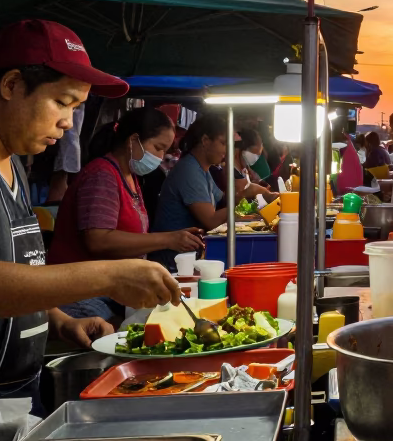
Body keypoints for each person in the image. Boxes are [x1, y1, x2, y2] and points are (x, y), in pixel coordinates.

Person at [0, 20, 180, 415]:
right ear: (11, 85)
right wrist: (109, 275)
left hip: (14, 389)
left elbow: (9, 268)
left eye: (75, 108)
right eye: (62, 102)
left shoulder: (10, 159)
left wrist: (55, 319)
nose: (69, 122)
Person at [47, 107, 205, 323]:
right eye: (158, 148)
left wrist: (176, 237)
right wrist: (168, 239)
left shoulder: (129, 177)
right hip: (82, 294)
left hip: (112, 289)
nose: (160, 157)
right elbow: (98, 240)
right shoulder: (101, 176)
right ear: (133, 140)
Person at [150, 114, 235, 270]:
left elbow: (223, 198)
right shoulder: (189, 170)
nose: (226, 150)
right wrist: (243, 206)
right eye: (223, 143)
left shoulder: (202, 169)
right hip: (173, 261)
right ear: (205, 141)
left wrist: (246, 196)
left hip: (187, 256)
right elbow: (210, 220)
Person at [210, 127, 273, 210]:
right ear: (238, 150)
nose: (256, 158)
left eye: (258, 155)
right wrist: (250, 192)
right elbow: (231, 199)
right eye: (254, 154)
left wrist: (266, 192)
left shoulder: (244, 169)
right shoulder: (224, 170)